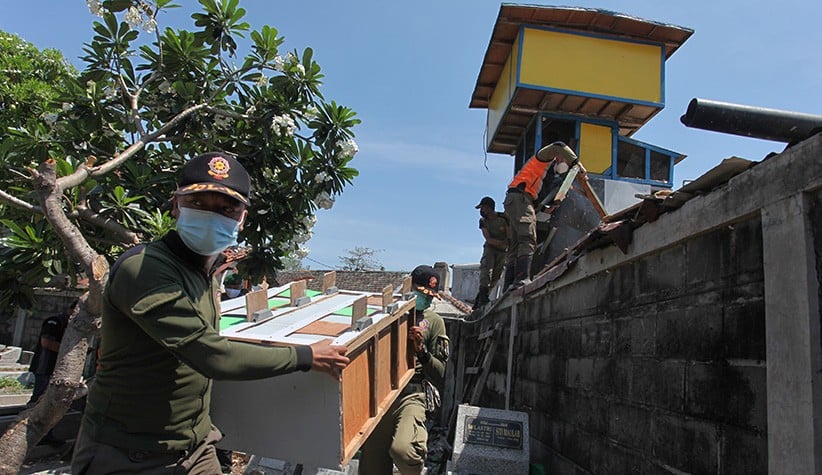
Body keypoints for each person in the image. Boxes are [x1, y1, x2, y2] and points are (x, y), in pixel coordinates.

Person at [71, 152, 350, 474]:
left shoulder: (202, 273)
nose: (212, 215)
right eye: (199, 203)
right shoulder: (145, 269)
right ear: (176, 205)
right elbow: (211, 355)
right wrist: (306, 356)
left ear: (242, 218)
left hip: (196, 445)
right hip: (130, 452)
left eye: (226, 209)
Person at [359, 264, 450, 475]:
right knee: (371, 466)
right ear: (409, 288)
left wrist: (422, 352)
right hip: (381, 397)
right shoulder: (385, 312)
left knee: (404, 450)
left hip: (411, 395)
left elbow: (440, 372)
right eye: (421, 293)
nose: (425, 299)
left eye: (429, 296)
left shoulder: (434, 322)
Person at [503, 141, 577, 290]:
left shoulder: (548, 177)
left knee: (517, 243)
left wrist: (546, 209)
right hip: (520, 198)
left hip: (516, 200)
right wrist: (576, 163)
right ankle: (521, 279)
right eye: (564, 160)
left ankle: (509, 284)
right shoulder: (542, 158)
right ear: (559, 157)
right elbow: (558, 145)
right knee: (528, 238)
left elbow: (538, 199)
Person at [27, 299, 75, 446]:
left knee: (52, 403)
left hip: (57, 370)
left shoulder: (72, 326)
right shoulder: (54, 321)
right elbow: (47, 343)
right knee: (39, 401)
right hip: (45, 367)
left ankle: (45, 434)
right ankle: (28, 432)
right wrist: (70, 352)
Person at [473, 196, 508, 308]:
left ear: (489, 208)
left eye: (482, 208)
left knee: (497, 275)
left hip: (503, 251)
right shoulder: (483, 221)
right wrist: (502, 243)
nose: (481, 211)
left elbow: (510, 235)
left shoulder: (503, 218)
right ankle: (483, 297)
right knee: (486, 271)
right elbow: (488, 239)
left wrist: (506, 244)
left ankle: (481, 297)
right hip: (490, 249)